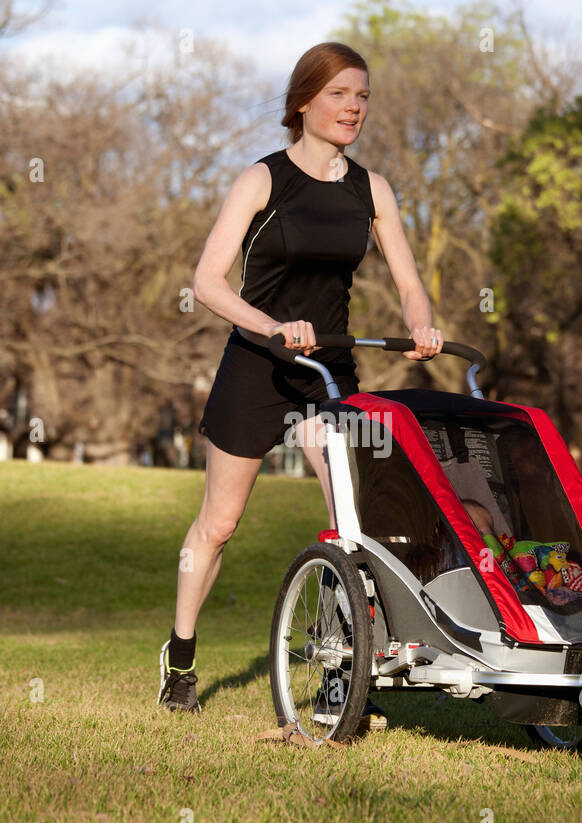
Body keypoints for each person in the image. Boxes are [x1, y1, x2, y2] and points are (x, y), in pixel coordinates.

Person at [159, 41, 445, 713]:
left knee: (352, 520)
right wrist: (268, 326)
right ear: (304, 102)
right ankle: (180, 660)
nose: (354, 108)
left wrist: (423, 323)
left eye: (363, 96)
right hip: (258, 365)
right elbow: (206, 281)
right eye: (341, 94)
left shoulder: (370, 189)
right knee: (220, 523)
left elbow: (408, 281)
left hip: (328, 371)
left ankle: (341, 669)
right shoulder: (262, 180)